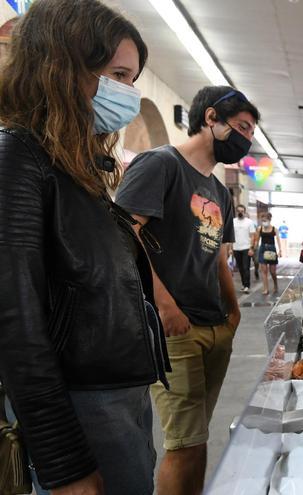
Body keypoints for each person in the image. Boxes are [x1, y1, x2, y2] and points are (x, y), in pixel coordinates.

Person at [0, 1, 168, 494]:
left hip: (117, 393)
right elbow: (15, 325)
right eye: (117, 74)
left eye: (132, 79)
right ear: (62, 64)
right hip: (81, 405)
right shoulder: (18, 160)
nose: (128, 94)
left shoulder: (74, 164)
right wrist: (64, 462)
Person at [115, 85, 259, 495]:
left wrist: (233, 313)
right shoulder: (160, 165)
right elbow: (125, 234)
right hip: (175, 330)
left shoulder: (217, 190)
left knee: (196, 442)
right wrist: (163, 306)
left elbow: (216, 258)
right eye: (242, 127)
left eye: (251, 134)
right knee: (182, 444)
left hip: (214, 327)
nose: (246, 139)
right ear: (210, 118)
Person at [257, 212, 283, 294]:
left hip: (271, 249)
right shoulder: (259, 228)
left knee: (272, 271)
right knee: (264, 271)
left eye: (265, 220)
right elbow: (257, 240)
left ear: (269, 220)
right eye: (262, 220)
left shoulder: (274, 229)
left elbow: (278, 240)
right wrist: (254, 249)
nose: (264, 222)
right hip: (262, 249)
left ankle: (275, 284)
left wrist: (280, 250)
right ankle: (266, 289)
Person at [232, 204, 256, 293]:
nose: (240, 213)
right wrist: (230, 248)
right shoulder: (233, 222)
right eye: (239, 211)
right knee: (241, 268)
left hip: (246, 248)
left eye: (242, 211)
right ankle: (243, 284)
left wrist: (251, 248)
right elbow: (231, 236)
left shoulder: (249, 222)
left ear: (244, 212)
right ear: (236, 212)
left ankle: (247, 285)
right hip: (236, 248)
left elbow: (253, 236)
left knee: (246, 267)